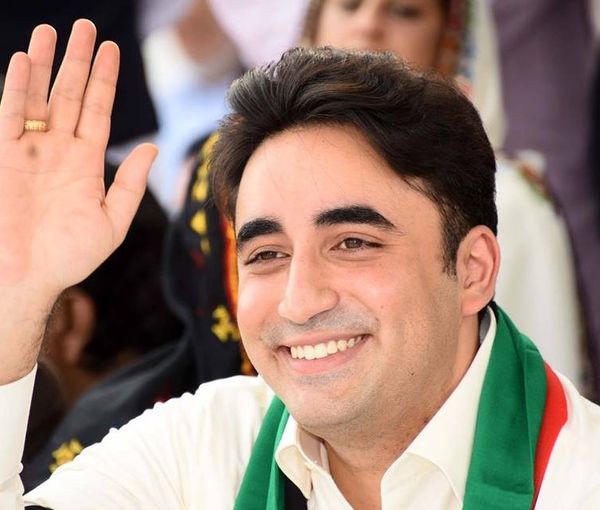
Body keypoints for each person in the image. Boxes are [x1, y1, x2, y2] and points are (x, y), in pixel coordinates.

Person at [2, 20, 600, 510]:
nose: (300, 300)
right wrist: (17, 296)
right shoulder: (199, 449)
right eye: (267, 255)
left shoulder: (582, 477)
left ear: (473, 269)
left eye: (353, 243)